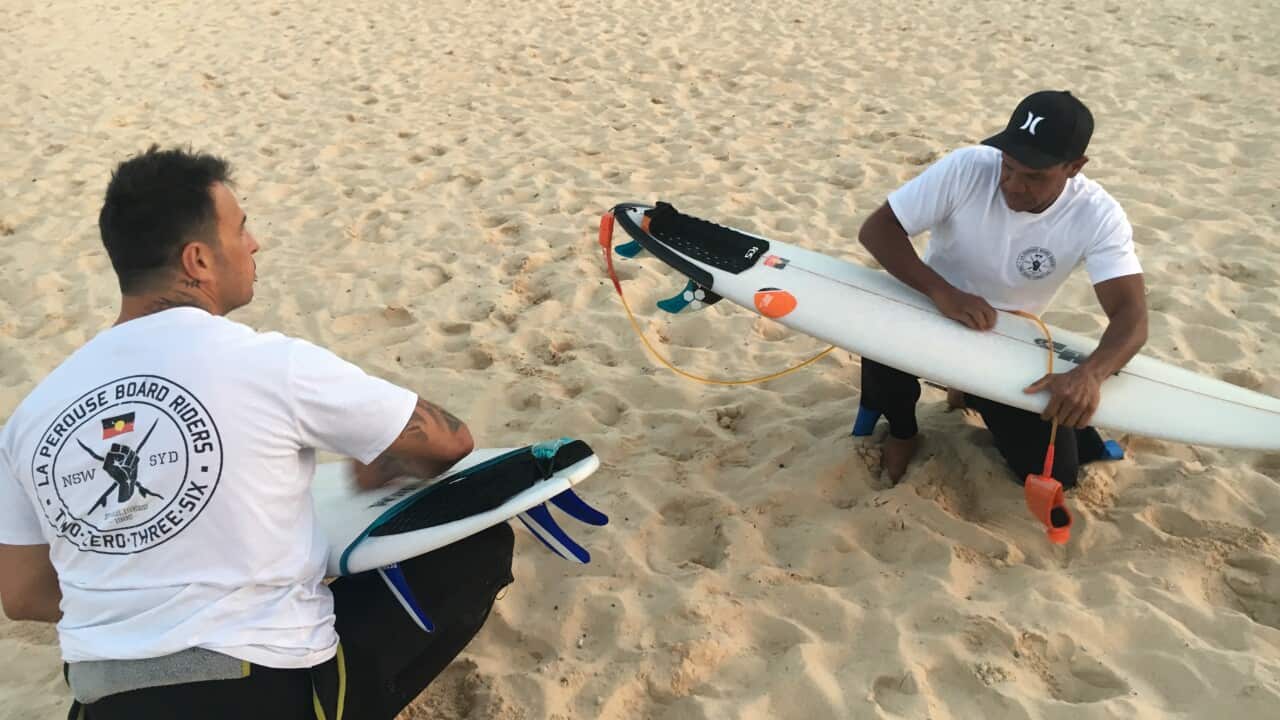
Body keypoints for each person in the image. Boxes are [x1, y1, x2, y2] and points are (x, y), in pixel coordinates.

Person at [0, 146, 514, 719]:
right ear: (198, 259)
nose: (254, 244)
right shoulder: (269, 362)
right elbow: (450, 441)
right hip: (259, 692)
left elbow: (21, 594)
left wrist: (145, 600)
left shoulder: (30, 416)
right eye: (241, 228)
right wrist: (387, 462)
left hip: (105, 702)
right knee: (478, 542)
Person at [855, 90, 1149, 487]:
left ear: (1074, 167)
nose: (1012, 184)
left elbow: (1132, 316)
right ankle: (903, 430)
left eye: (1034, 177)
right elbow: (877, 229)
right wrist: (943, 292)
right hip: (929, 306)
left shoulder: (1098, 214)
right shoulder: (968, 167)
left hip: (1005, 339)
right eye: (1008, 167)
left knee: (1057, 474)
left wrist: (1090, 375)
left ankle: (970, 392)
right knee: (875, 328)